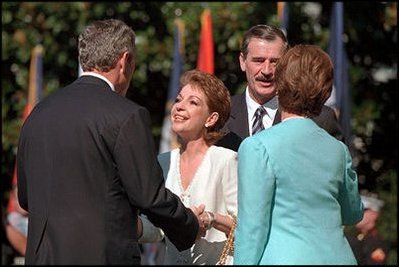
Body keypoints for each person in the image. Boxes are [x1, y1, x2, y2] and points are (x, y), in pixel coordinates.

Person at [16, 19, 206, 265]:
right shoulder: (126, 115)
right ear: (125, 60)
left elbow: (26, 197)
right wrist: (189, 223)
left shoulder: (38, 114)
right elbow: (149, 196)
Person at [234, 44, 364, 265]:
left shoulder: (258, 147)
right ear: (325, 92)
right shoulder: (338, 150)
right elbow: (353, 214)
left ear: (280, 84)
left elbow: (252, 230)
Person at [139, 69, 238, 265]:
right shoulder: (162, 162)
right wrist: (124, 224)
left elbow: (246, 228)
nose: (179, 107)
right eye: (178, 100)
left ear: (211, 119)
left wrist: (211, 219)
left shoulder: (226, 160)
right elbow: (156, 228)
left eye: (193, 102)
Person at [217, 24, 343, 151]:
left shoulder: (319, 120)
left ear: (286, 64)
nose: (266, 71)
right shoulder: (219, 115)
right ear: (242, 62)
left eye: (275, 62)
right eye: (259, 61)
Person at [345, 191, 389, 265]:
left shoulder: (376, 242)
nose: (357, 213)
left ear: (374, 214)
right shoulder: (357, 236)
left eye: (363, 210)